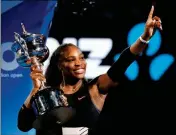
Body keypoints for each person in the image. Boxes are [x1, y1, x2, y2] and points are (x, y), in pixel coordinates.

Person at [17, 5, 162, 135]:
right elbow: (23, 126)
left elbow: (123, 62)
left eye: (81, 58)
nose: (79, 63)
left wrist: (145, 37)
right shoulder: (46, 95)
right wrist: (35, 91)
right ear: (59, 65)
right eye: (71, 60)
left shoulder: (95, 89)